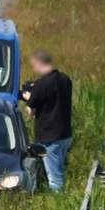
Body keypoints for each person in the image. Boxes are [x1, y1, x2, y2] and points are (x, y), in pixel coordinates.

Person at [21, 50, 72, 192]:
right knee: (59, 170)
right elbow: (53, 101)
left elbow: (30, 111)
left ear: (38, 63)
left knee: (54, 179)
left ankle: (58, 206)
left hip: (49, 136)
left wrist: (28, 98)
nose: (33, 69)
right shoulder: (65, 79)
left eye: (33, 65)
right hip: (65, 134)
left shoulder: (41, 84)